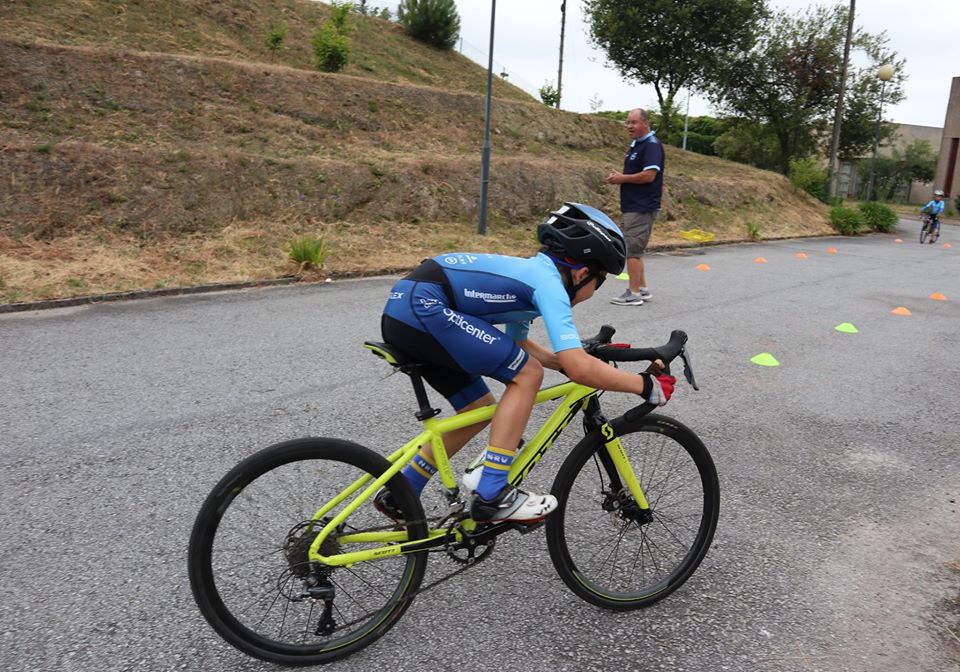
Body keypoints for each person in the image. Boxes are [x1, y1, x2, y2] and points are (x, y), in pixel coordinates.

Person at [375, 202, 676, 524]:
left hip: (409, 309)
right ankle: (492, 493)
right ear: (582, 273)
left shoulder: (532, 276)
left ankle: (403, 490)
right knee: (527, 375)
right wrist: (644, 385)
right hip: (425, 307)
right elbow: (578, 369)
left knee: (477, 409)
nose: (595, 290)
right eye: (599, 281)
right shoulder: (547, 284)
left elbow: (520, 344)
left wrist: (561, 361)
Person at [606, 107, 664, 306]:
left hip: (641, 206)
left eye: (634, 122)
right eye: (628, 122)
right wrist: (621, 177)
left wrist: (622, 178)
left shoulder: (651, 145)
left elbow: (649, 175)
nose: (629, 126)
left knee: (631, 251)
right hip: (633, 205)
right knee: (634, 249)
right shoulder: (638, 145)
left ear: (645, 123)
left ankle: (633, 294)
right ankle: (643, 289)